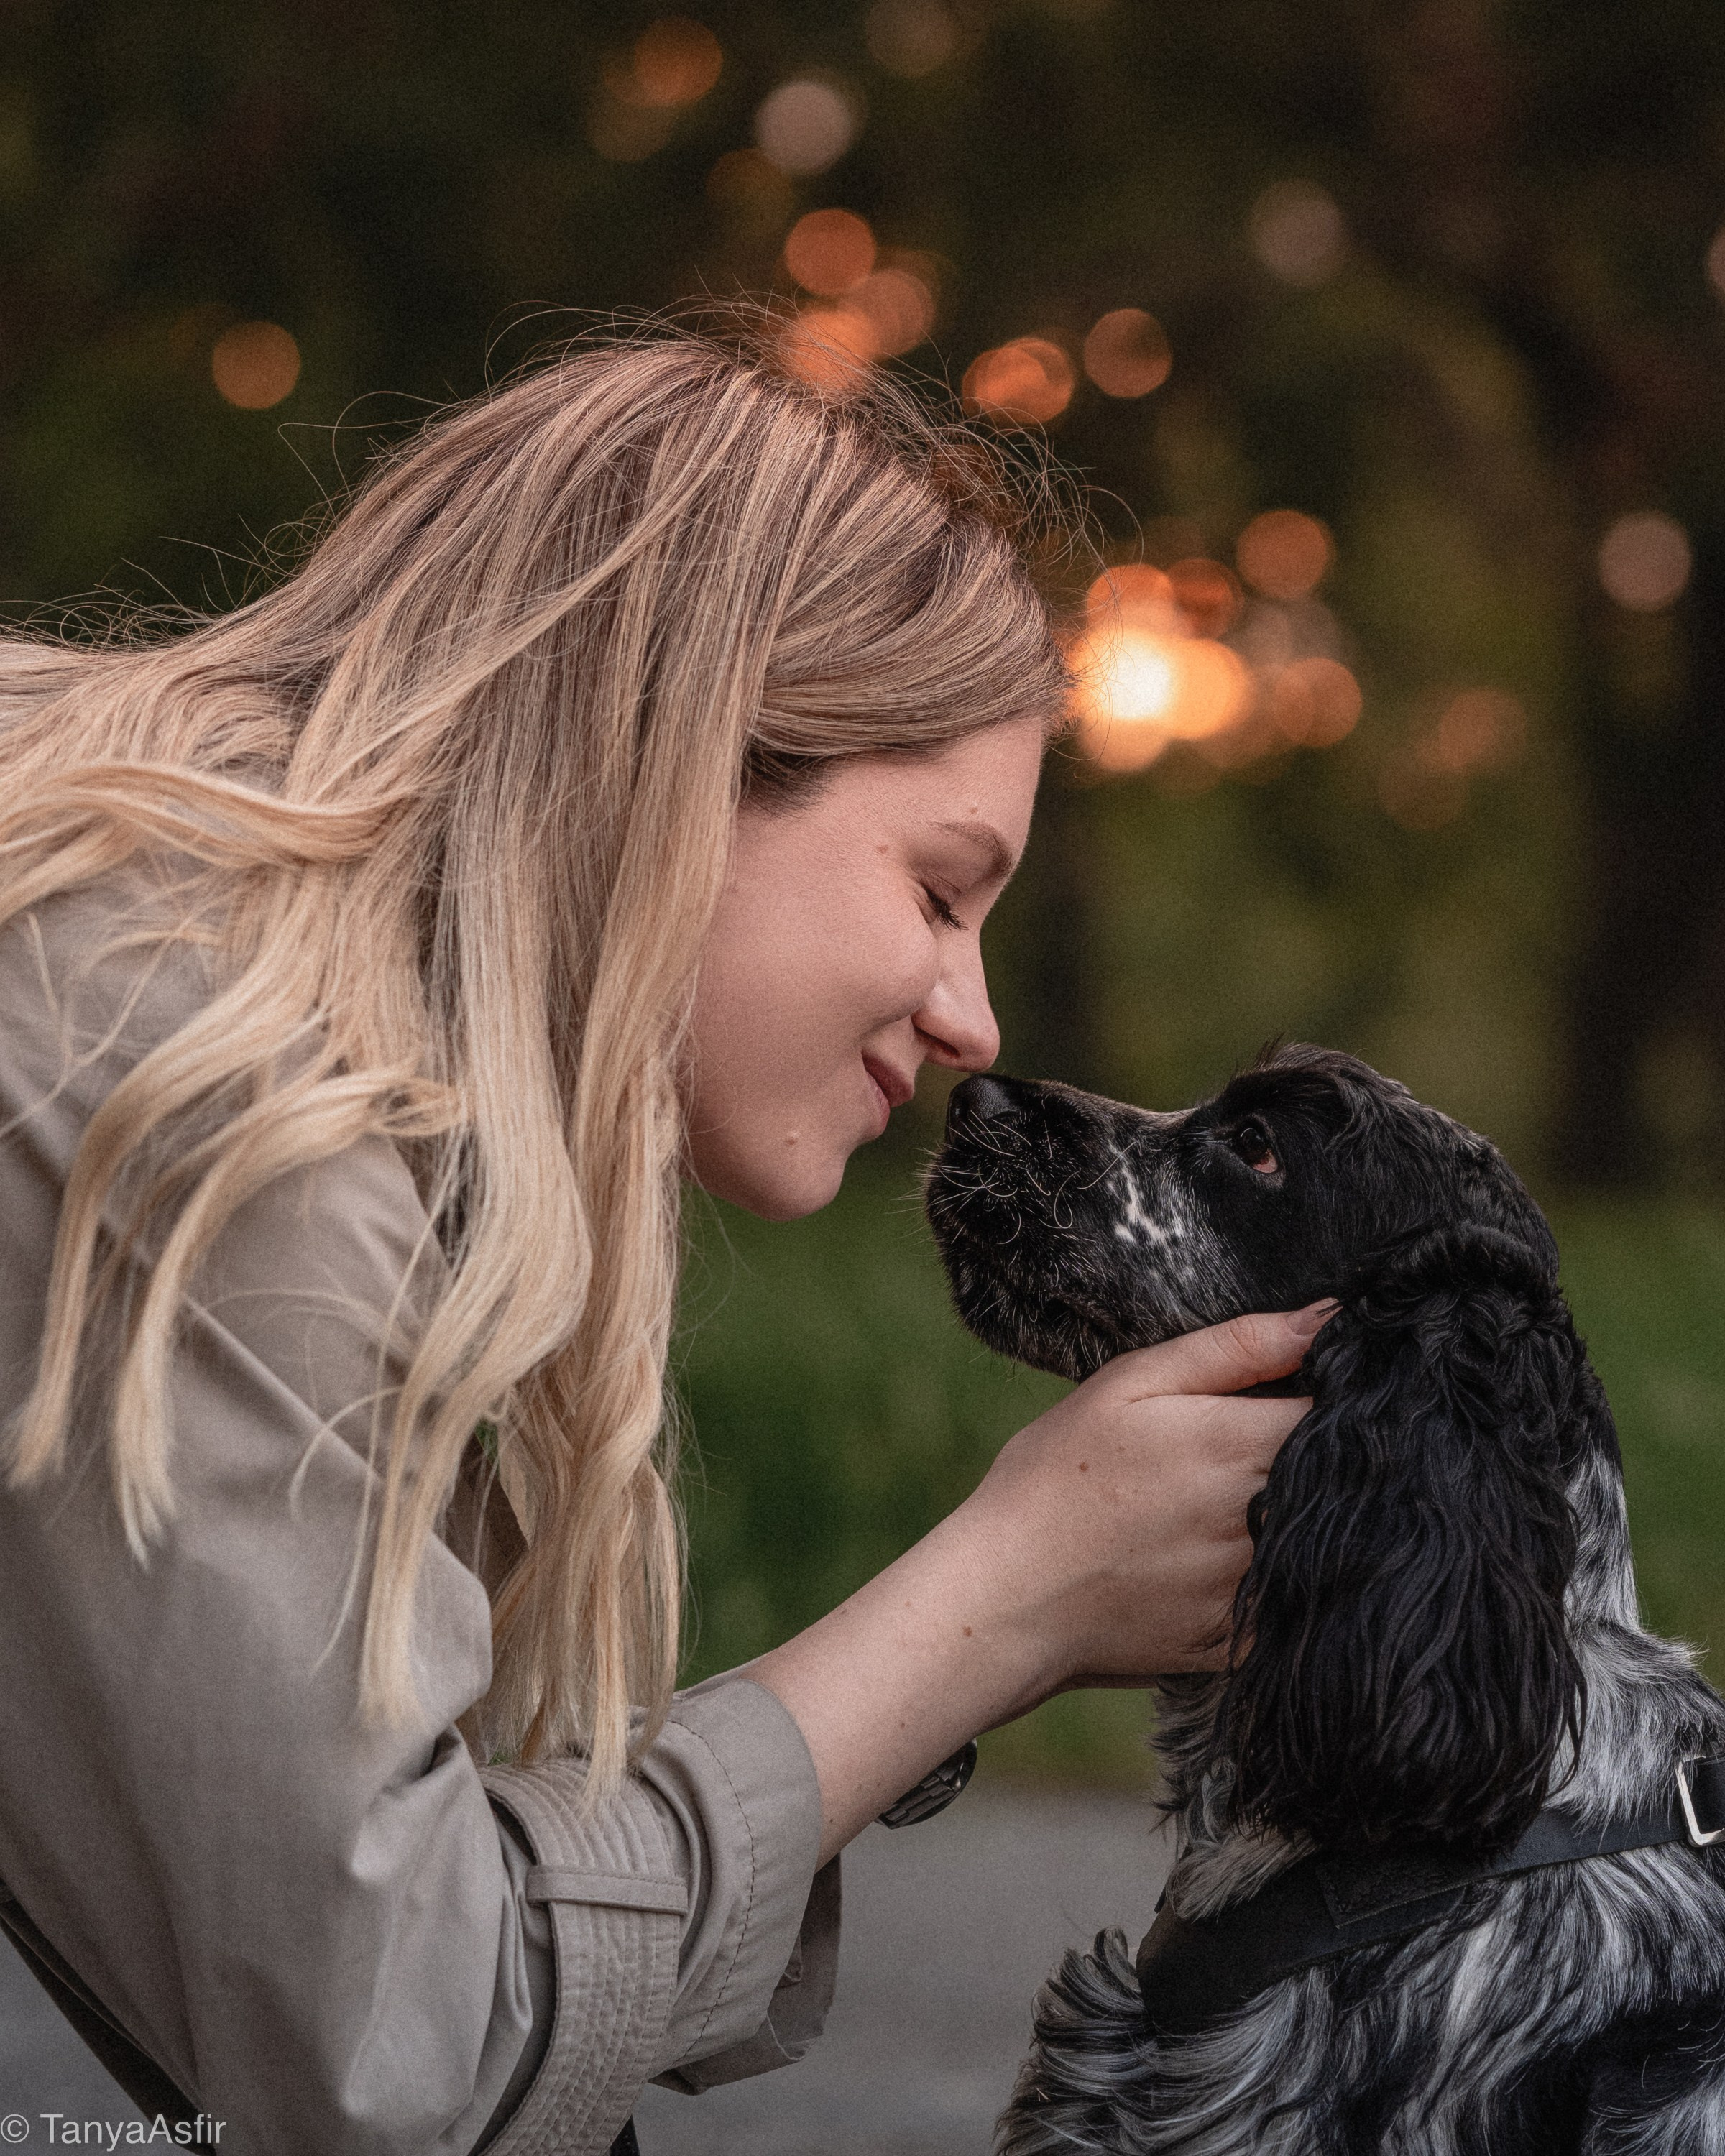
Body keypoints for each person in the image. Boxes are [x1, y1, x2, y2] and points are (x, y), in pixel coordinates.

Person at [0, 323, 1320, 2154]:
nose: (975, 1022)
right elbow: (396, 2053)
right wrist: (1000, 1604)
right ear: (671, 755)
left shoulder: (220, 987)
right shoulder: (202, 1079)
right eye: (941, 891)